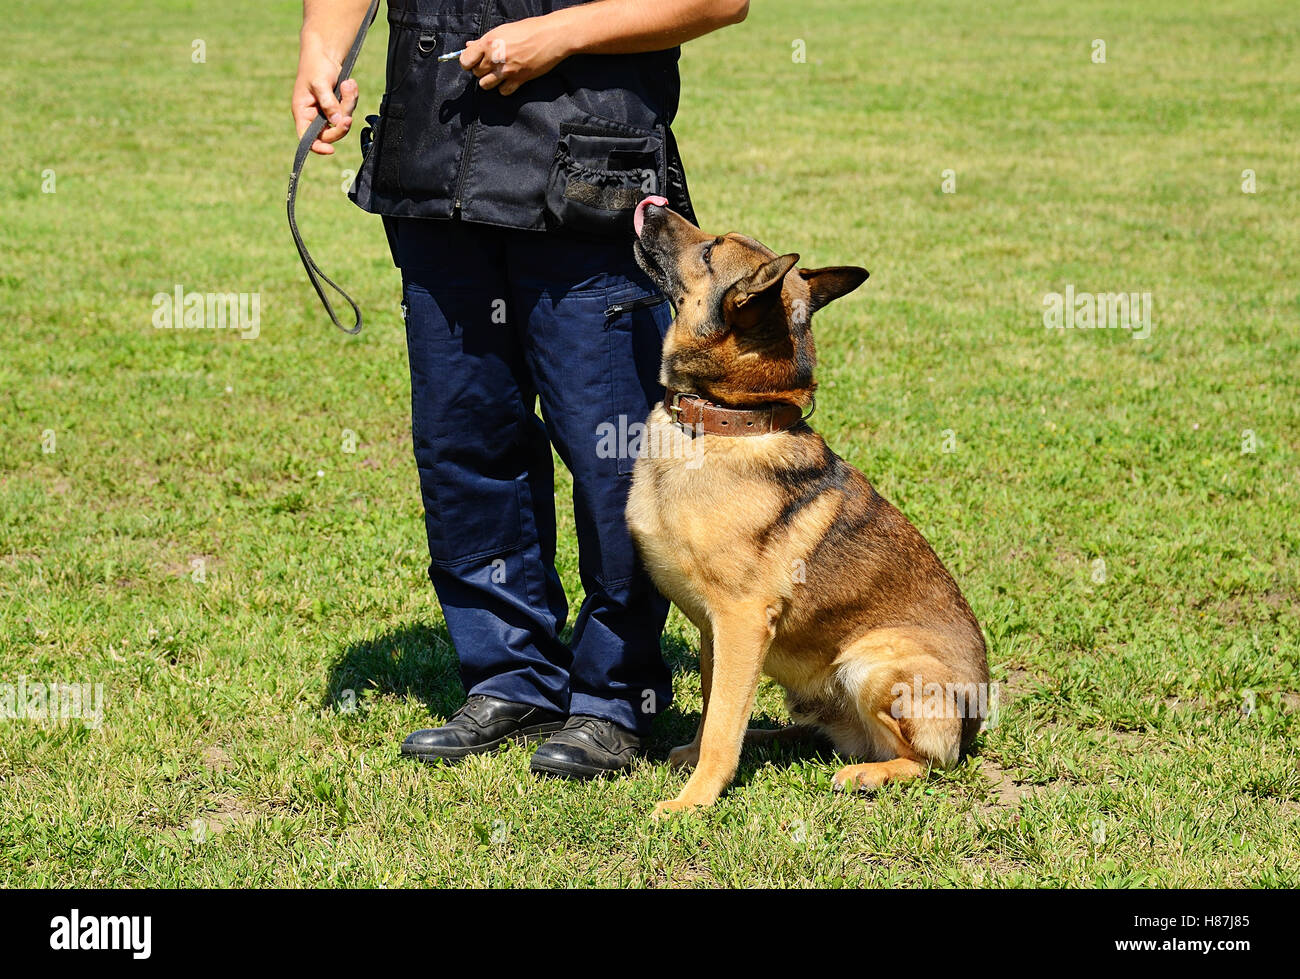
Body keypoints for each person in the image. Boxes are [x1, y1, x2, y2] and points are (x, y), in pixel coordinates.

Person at [292, 0, 749, 777]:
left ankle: (615, 695)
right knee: (464, 439)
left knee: (613, 461)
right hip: (436, 169)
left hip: (586, 182)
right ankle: (511, 676)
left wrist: (559, 34)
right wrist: (320, 48)